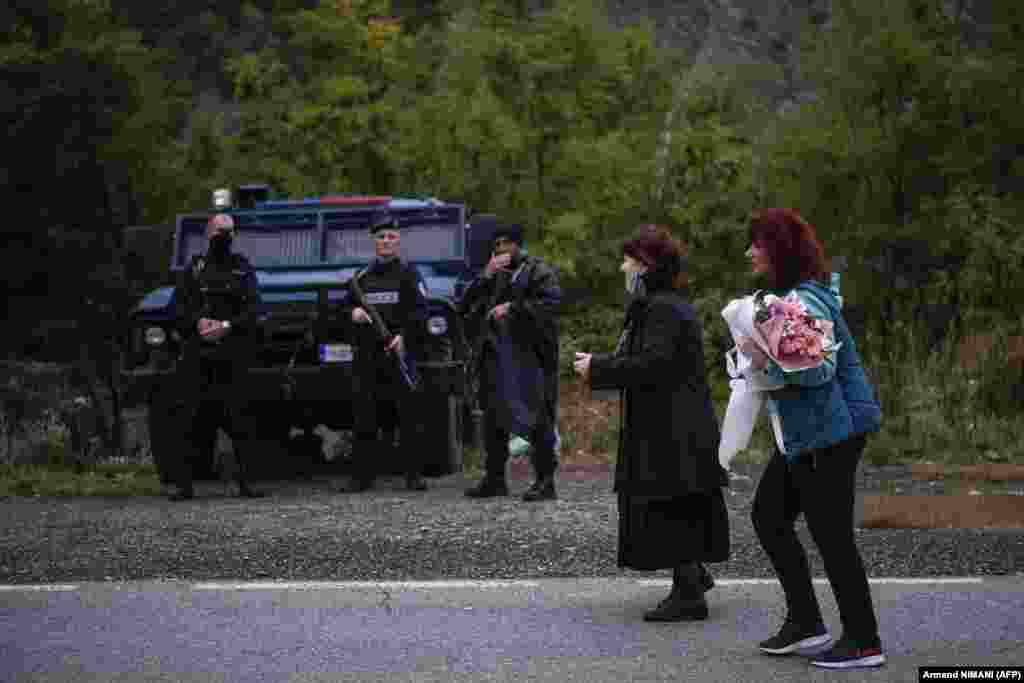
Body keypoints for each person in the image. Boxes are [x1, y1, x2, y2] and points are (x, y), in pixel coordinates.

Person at [740, 208, 885, 669]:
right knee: (768, 514)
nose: (749, 253)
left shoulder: (805, 300)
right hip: (807, 433)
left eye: (757, 244)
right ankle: (805, 622)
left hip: (833, 431)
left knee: (831, 534)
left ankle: (864, 641)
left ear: (777, 250)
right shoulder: (789, 298)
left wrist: (763, 359)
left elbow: (817, 369)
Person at [574, 225, 728, 621]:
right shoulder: (662, 304)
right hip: (670, 423)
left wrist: (599, 368)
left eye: (629, 260)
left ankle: (689, 592)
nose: (622, 266)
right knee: (672, 502)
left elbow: (652, 365)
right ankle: (690, 574)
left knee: (671, 502)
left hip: (674, 428)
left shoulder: (663, 308)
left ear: (647, 266)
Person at [462, 222, 562, 501]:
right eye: (497, 245)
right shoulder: (492, 275)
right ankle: (494, 478)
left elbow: (552, 303)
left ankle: (545, 480)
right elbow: (464, 305)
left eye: (507, 244)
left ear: (519, 245)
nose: (501, 250)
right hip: (495, 358)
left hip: (530, 359)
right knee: (493, 418)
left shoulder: (537, 270)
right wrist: (485, 275)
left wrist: (514, 309)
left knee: (537, 417)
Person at [170, 213, 264, 501]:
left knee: (241, 420)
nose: (224, 235)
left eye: (229, 231)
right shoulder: (193, 270)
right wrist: (198, 323)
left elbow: (253, 309)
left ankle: (247, 483)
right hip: (198, 355)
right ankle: (184, 485)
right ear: (208, 233)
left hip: (232, 354)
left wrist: (226, 326)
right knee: (189, 419)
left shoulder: (242, 268)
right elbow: (178, 309)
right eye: (219, 230)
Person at [341, 212, 429, 493]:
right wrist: (352, 312)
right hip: (369, 355)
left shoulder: (409, 274)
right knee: (365, 416)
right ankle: (361, 478)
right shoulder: (361, 277)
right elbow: (341, 312)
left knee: (409, 416)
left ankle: (414, 476)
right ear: (374, 241)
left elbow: (421, 313)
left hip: (400, 354)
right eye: (381, 237)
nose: (386, 241)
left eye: (391, 236)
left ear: (398, 239)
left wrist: (405, 337)